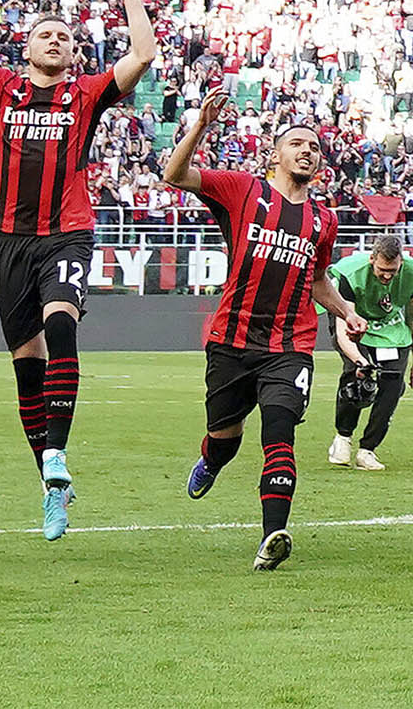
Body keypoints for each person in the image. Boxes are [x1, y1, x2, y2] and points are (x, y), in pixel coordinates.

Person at [0, 0, 156, 536]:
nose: (57, 41)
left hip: (67, 233)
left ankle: (60, 453)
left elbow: (143, 54)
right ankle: (50, 479)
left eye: (66, 37)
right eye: (46, 34)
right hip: (9, 237)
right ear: (27, 45)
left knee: (61, 323)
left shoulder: (86, 93)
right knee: (25, 366)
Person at [165, 89, 370, 571]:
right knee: (225, 435)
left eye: (315, 146)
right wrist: (199, 126)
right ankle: (212, 461)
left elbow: (316, 278)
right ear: (273, 155)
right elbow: (175, 175)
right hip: (231, 340)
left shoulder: (324, 219)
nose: (307, 151)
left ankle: (272, 533)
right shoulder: (242, 190)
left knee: (279, 432)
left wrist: (345, 311)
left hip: (289, 345)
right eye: (297, 143)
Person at [325, 233, 413, 471]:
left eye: (393, 270)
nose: (388, 275)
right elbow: (343, 329)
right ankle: (343, 437)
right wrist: (360, 361)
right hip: (354, 321)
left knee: (392, 386)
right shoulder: (351, 275)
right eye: (382, 269)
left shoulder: (411, 273)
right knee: (356, 378)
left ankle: (367, 450)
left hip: (390, 328)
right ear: (372, 260)